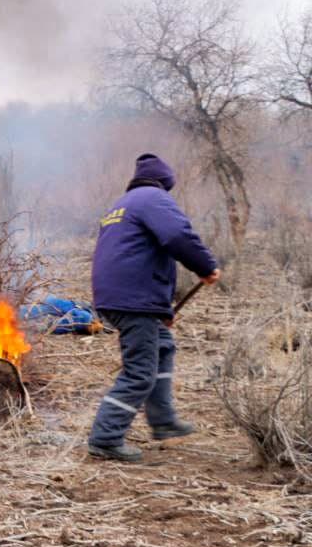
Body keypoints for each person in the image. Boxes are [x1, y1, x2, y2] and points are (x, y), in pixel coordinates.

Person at [88, 153, 220, 462]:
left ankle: (163, 420)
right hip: (133, 299)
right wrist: (205, 266)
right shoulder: (153, 198)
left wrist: (162, 310)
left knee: (162, 346)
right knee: (139, 373)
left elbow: (134, 256)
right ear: (165, 182)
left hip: (119, 294)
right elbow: (177, 235)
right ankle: (105, 438)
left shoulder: (121, 205)